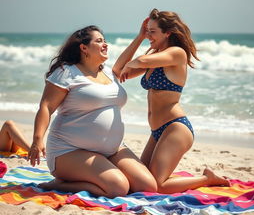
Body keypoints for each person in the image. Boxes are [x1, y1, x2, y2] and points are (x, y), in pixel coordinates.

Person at [27, 25, 157, 197]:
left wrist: (142, 37)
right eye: (99, 41)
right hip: (69, 150)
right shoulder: (67, 72)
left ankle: (98, 175)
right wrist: (37, 140)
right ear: (84, 47)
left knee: (148, 187)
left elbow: (139, 63)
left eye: (105, 41)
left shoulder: (110, 73)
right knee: (118, 188)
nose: (105, 45)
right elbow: (46, 106)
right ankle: (59, 184)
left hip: (112, 149)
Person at [113, 8, 230, 194]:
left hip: (175, 127)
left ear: (168, 32)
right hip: (157, 131)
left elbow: (141, 61)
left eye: (152, 32)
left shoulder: (177, 53)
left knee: (157, 186)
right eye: (147, 31)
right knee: (140, 182)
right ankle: (203, 178)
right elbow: (118, 70)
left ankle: (207, 178)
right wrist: (139, 37)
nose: (149, 36)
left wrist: (137, 61)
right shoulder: (155, 57)